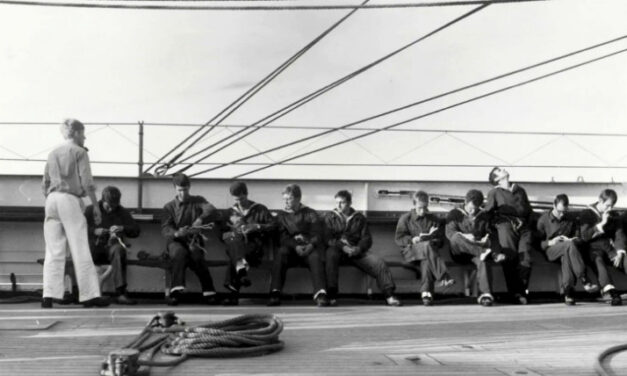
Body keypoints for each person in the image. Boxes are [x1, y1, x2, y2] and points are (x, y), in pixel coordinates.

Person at [41, 119, 109, 308]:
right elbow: (87, 183)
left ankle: (49, 295)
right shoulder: (79, 152)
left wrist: (52, 196)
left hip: (52, 199)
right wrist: (95, 206)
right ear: (77, 133)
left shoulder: (52, 153)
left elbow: (44, 183)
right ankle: (89, 296)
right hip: (69, 199)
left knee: (54, 250)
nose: (85, 137)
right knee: (80, 248)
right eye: (83, 133)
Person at [324, 190, 401, 306]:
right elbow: (327, 239)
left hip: (356, 252)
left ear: (349, 203)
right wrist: (342, 247)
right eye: (337, 203)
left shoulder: (359, 218)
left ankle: (389, 295)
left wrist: (358, 249)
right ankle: (332, 295)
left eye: (342, 203)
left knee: (378, 263)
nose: (338, 206)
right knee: (330, 254)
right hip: (337, 250)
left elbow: (367, 239)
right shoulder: (330, 217)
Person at [161, 173, 221, 306]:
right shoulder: (169, 207)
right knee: (179, 253)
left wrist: (201, 219)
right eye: (180, 190)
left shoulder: (198, 201)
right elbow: (166, 229)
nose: (183, 193)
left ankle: (209, 292)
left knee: (197, 255)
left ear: (189, 187)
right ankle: (175, 292)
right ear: (175, 189)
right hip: (176, 241)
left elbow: (212, 210)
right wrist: (177, 233)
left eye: (185, 190)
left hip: (194, 239)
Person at [269, 184, 329, 307]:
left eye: (289, 198)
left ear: (298, 198)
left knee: (316, 257)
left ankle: (320, 293)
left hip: (308, 248)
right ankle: (275, 292)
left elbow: (317, 232)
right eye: (284, 198)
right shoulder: (281, 216)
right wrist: (295, 245)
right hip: (291, 250)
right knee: (281, 253)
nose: (286, 201)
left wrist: (310, 245)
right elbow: (282, 237)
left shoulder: (310, 213)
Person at [536, 194, 599, 305]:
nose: (561, 215)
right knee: (568, 246)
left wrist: (573, 239)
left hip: (569, 249)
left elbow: (579, 237)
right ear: (553, 205)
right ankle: (584, 279)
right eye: (559, 211)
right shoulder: (543, 220)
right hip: (550, 250)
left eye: (564, 212)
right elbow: (537, 243)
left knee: (567, 254)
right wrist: (551, 242)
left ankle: (568, 292)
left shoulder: (570, 218)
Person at [446, 189, 505, 307]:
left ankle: (486, 295)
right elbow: (450, 234)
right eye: (470, 208)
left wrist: (485, 240)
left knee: (483, 260)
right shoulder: (455, 214)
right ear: (465, 202)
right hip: (459, 252)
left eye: (475, 208)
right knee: (456, 238)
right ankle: (485, 253)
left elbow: (490, 235)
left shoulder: (483, 216)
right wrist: (465, 236)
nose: (472, 211)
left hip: (476, 252)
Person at [395, 190, 455, 306]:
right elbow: (398, 239)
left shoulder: (433, 219)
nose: (422, 211)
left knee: (427, 258)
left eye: (425, 208)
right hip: (410, 252)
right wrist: (412, 240)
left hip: (428, 254)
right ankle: (443, 276)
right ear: (414, 204)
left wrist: (434, 240)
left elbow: (441, 241)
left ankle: (426, 294)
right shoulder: (405, 218)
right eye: (420, 208)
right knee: (427, 248)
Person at [221, 181, 276, 305]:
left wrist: (256, 227)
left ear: (246, 194)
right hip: (236, 246)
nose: (239, 202)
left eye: (242, 198)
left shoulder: (259, 209)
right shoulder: (229, 212)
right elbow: (222, 235)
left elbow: (273, 226)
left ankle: (233, 293)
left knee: (235, 257)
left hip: (254, 249)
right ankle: (241, 271)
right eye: (236, 199)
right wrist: (234, 231)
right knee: (234, 243)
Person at [484, 167, 533, 305]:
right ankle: (516, 293)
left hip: (523, 228)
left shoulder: (520, 190)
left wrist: (526, 223)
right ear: (496, 179)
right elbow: (488, 214)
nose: (504, 169)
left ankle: (521, 290)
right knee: (510, 258)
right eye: (500, 170)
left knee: (526, 257)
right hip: (505, 227)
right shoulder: (494, 193)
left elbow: (528, 210)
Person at [85, 186, 140, 305]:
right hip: (94, 249)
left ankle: (120, 293)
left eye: (114, 206)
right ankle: (85, 293)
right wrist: (94, 231)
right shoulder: (90, 210)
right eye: (108, 206)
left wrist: (122, 228)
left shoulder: (121, 211)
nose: (110, 209)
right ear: (102, 200)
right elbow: (78, 229)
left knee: (119, 250)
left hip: (112, 248)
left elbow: (136, 230)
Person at [579, 189, 626, 306]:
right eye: (607, 205)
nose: (609, 209)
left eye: (612, 206)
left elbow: (619, 234)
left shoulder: (613, 215)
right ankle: (610, 291)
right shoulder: (586, 214)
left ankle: (610, 291)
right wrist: (601, 224)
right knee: (598, 261)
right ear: (600, 201)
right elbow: (585, 236)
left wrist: (620, 251)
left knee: (625, 258)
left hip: (609, 248)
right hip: (593, 249)